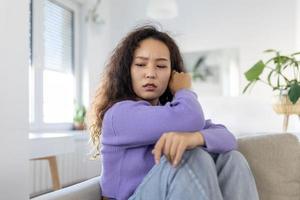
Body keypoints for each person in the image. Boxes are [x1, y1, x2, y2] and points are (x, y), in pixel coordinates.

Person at [87, 24, 259, 200]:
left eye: (161, 66)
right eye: (140, 64)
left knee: (232, 160)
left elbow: (228, 139)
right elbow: (191, 118)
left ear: (172, 74)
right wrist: (184, 90)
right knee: (192, 156)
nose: (150, 73)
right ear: (126, 71)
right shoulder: (119, 115)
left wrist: (194, 138)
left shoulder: (169, 113)